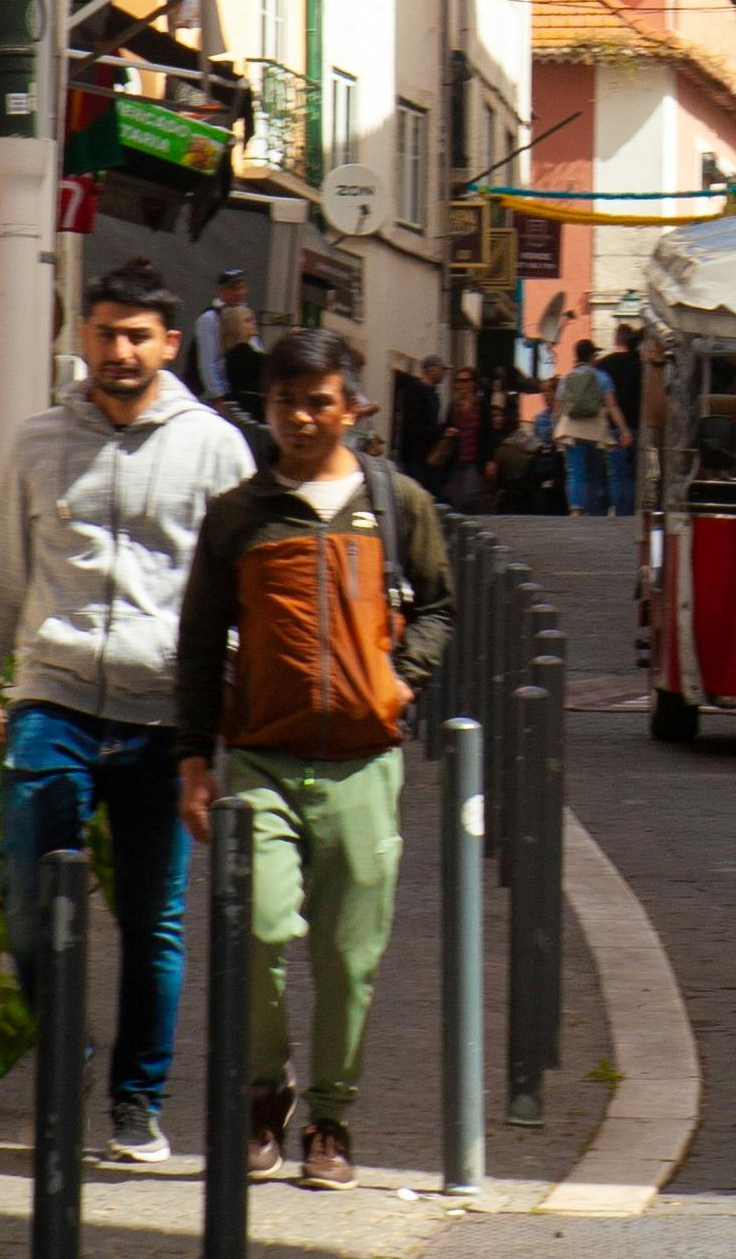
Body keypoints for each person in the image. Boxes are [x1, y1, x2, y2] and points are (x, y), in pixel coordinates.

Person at [0, 258, 259, 1164]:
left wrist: (217, 711)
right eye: (104, 333)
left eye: (137, 336)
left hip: (165, 712)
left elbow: (238, 592)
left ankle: (137, 1102)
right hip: (53, 699)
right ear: (82, 337)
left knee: (153, 916)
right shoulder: (38, 442)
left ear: (170, 344)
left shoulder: (215, 449)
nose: (118, 351)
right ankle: (68, 1053)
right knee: (27, 891)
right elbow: (4, 569)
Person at [176, 328, 454, 1189]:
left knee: (348, 956)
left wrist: (401, 683)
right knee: (259, 931)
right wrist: (194, 759)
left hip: (366, 762)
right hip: (262, 756)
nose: (301, 417)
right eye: (284, 402)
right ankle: (268, 1093)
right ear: (266, 410)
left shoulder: (397, 502)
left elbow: (440, 608)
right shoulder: (238, 516)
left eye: (318, 400)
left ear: (351, 406)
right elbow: (196, 644)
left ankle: (331, 1121)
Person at [550, 337, 626, 515]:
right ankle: (592, 508)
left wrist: (555, 431)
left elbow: (558, 409)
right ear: (592, 356)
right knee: (594, 472)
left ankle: (576, 508)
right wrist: (623, 429)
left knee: (575, 471)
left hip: (572, 430)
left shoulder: (567, 379)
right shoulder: (602, 378)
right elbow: (612, 406)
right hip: (595, 430)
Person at [189, 267, 258, 406]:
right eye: (233, 288)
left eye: (241, 287)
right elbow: (208, 362)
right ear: (221, 291)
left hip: (239, 389)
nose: (239, 292)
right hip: (222, 393)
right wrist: (217, 396)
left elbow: (254, 347)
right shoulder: (210, 318)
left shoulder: (245, 313)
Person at [600, 324, 648, 516]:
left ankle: (621, 512)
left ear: (615, 338)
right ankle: (635, 511)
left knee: (618, 475)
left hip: (614, 426)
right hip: (640, 425)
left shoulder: (604, 364)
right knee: (637, 474)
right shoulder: (642, 365)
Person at [389, 353, 448, 491]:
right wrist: (440, 431)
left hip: (429, 456)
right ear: (432, 369)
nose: (444, 373)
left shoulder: (434, 394)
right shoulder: (415, 391)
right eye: (441, 369)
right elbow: (413, 425)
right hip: (416, 456)